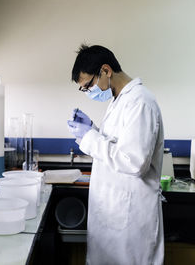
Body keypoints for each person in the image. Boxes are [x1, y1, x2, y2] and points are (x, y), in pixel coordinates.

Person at [67, 44, 164, 265]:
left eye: (89, 86)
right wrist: (91, 129)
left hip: (130, 218)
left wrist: (90, 138)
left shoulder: (140, 102)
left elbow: (134, 162)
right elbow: (117, 145)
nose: (89, 92)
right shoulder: (119, 100)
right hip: (114, 211)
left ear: (106, 70)